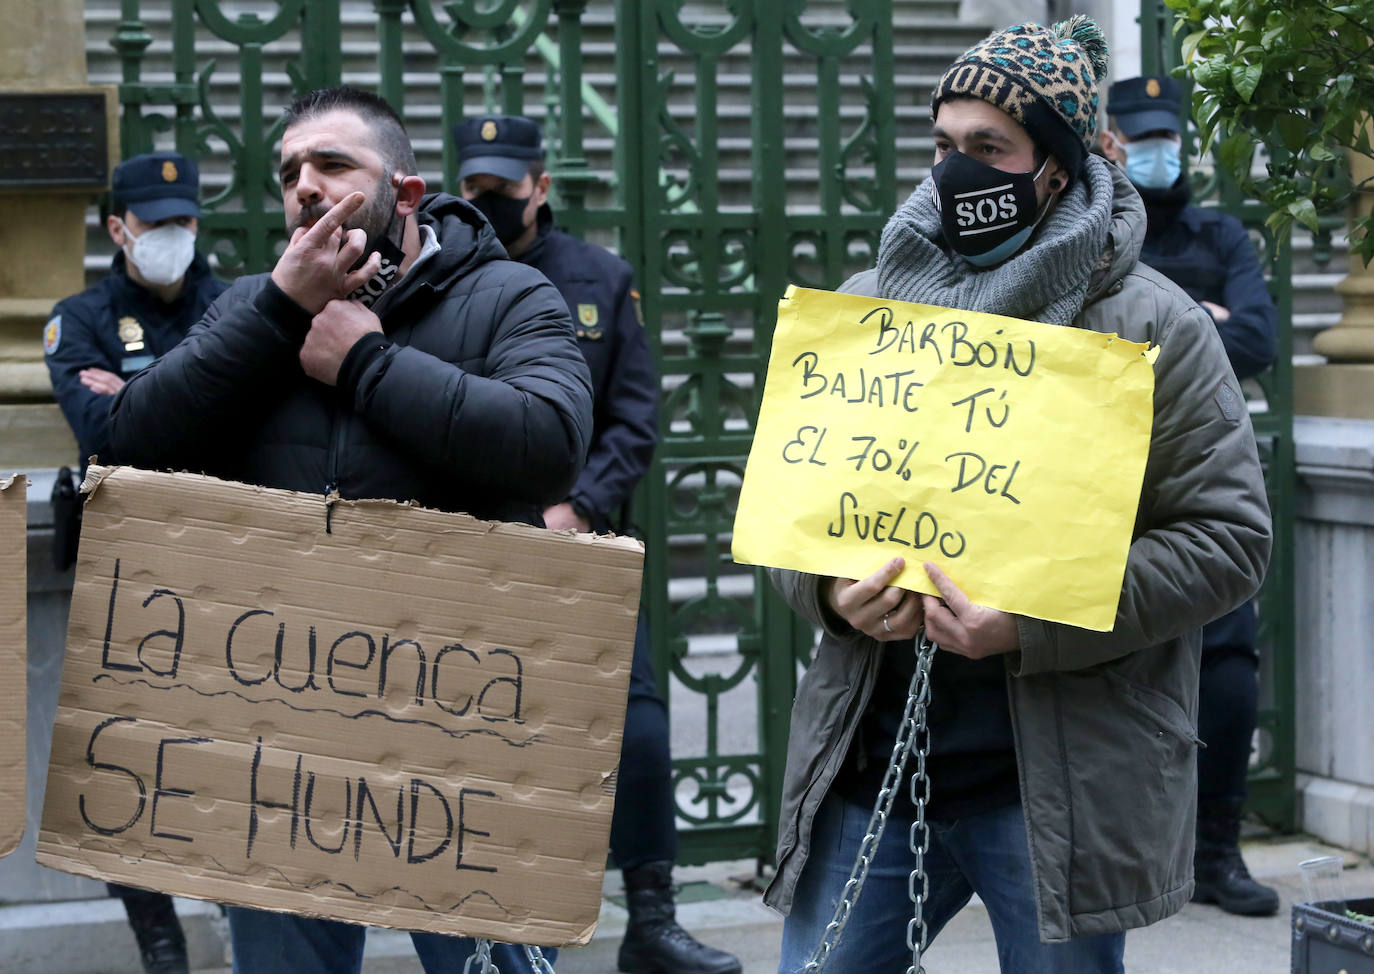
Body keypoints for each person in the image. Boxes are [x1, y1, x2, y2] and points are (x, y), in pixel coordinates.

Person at [765, 17, 1272, 974]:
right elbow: (797, 524)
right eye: (943, 146)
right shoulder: (870, 303)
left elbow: (1229, 540)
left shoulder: (1153, 323)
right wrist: (832, 595)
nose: (957, 172)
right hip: (872, 765)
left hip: (1053, 788)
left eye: (988, 149)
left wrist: (1033, 620)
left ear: (1056, 165)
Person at [106, 86, 593, 974]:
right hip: (287, 734)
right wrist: (277, 317)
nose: (304, 185)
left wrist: (366, 363)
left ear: (403, 193)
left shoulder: (509, 296)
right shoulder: (253, 310)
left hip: (462, 735)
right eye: (290, 170)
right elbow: (132, 442)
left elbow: (549, 444)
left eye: (332, 164)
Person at [453, 114, 742, 974]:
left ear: (540, 185)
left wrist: (578, 508)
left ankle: (650, 919)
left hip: (582, 545)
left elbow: (634, 415)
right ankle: (501, 922)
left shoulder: (600, 280)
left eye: (504, 189)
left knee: (640, 733)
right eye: (476, 190)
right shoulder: (443, 272)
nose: (490, 203)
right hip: (476, 547)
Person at [42, 149, 228, 974]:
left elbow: (246, 432)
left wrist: (142, 394)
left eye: (184, 220)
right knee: (119, 764)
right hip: (123, 570)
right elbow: (106, 438)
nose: (172, 236)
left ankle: (243, 912)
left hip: (224, 564)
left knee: (229, 758)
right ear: (119, 228)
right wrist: (196, 392)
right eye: (156, 224)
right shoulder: (75, 319)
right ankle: (161, 942)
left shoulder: (236, 304)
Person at [1103, 74, 1280, 917]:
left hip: (1198, 468)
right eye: (1139, 137)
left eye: (1165, 135)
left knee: (1230, 668)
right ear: (1110, 142)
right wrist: (1199, 323)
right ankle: (1127, 861)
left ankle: (1218, 852)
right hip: (1105, 477)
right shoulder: (1095, 238)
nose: (1155, 150)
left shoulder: (1221, 232)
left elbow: (1259, 337)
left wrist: (1168, 339)